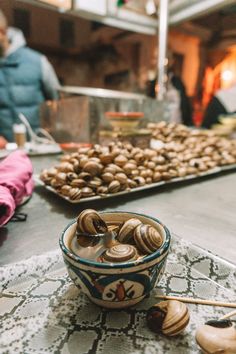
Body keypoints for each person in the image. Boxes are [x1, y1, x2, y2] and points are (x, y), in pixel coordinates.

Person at [0, 10, 60, 142]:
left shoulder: (37, 62)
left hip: (38, 147)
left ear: (2, 32)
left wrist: (51, 131)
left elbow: (57, 101)